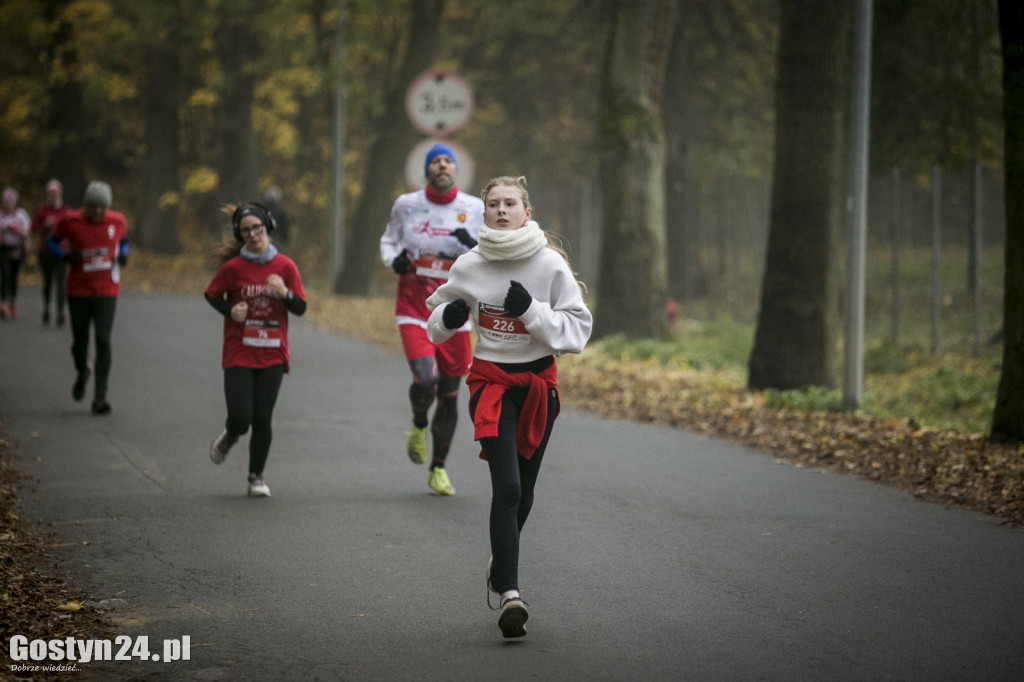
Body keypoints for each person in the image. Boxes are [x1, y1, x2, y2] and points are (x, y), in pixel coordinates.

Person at [425, 176, 592, 638]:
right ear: (484, 214)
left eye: (510, 203)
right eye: (494, 204)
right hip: (491, 385)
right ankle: (510, 595)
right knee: (509, 488)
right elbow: (434, 322)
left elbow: (577, 332)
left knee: (528, 491)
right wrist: (450, 318)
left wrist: (532, 311)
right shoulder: (470, 265)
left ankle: (500, 564)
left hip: (539, 386)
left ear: (527, 213)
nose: (502, 210)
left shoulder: (549, 265)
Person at [379, 143, 484, 496]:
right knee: (426, 380)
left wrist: (470, 242)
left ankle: (438, 469)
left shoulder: (473, 207)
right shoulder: (406, 204)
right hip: (414, 306)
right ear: (427, 170)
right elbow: (389, 241)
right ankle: (418, 422)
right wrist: (394, 261)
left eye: (447, 161)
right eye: (435, 161)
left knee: (451, 395)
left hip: (456, 311)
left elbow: (489, 252)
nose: (442, 165)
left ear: (455, 170)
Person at [204, 201, 307, 498]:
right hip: (239, 350)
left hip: (273, 352)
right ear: (240, 235)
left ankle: (256, 477)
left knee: (262, 419)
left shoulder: (285, 267)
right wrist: (229, 310)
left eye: (257, 228)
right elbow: (211, 294)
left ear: (268, 227)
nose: (253, 234)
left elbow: (300, 307)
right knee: (241, 416)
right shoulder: (233, 269)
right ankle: (231, 433)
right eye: (246, 230)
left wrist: (285, 293)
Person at [47, 181, 129, 414]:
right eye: (93, 207)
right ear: (85, 205)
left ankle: (100, 397)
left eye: (102, 207)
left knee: (103, 339)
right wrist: (64, 256)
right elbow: (50, 242)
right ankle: (83, 370)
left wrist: (123, 254)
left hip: (107, 291)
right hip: (78, 291)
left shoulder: (118, 221)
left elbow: (124, 242)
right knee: (80, 343)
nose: (97, 212)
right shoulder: (70, 221)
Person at [31, 179, 72, 326]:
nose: (52, 196)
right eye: (50, 193)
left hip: (61, 253)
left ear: (59, 194)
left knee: (61, 282)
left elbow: (72, 230)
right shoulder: (42, 211)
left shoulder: (66, 211)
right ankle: (47, 307)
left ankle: (60, 311)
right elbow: (33, 229)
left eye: (55, 194)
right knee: (47, 281)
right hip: (45, 252)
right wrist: (44, 225)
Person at [0, 187, 32, 320]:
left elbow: (28, 230)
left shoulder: (20, 214)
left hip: (17, 249)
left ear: (15, 203)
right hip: (3, 249)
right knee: (5, 274)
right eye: (5, 202)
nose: (7, 204)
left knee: (13, 276)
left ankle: (12, 300)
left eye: (10, 202)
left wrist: (16, 229)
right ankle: (4, 303)